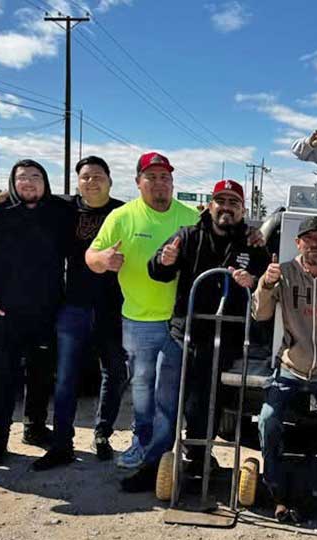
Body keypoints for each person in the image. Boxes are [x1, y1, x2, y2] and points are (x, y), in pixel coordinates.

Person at [86, 152, 199, 488]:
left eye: (165, 177)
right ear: (138, 182)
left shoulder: (190, 217)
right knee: (142, 389)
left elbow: (222, 237)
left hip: (181, 322)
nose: (160, 183)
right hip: (138, 321)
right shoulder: (122, 217)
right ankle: (142, 441)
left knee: (168, 393)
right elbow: (91, 255)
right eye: (152, 177)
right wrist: (103, 259)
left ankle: (160, 452)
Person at [147, 179, 269, 485]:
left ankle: (200, 456)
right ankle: (160, 459)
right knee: (173, 398)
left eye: (233, 203)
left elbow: (267, 282)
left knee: (211, 398)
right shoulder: (188, 236)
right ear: (210, 205)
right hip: (186, 332)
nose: (226, 208)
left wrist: (252, 281)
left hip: (227, 336)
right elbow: (158, 270)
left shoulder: (252, 243)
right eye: (221, 201)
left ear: (242, 210)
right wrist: (164, 261)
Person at [0, 159, 73, 466]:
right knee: (4, 377)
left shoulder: (60, 213)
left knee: (41, 375)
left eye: (36, 177)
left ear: (46, 182)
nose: (29, 182)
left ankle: (35, 429)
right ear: (12, 183)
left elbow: (87, 206)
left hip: (46, 311)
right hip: (2, 313)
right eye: (22, 177)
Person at [31, 156, 128, 470]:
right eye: (85, 176)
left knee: (114, 373)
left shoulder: (124, 212)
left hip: (115, 308)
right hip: (74, 305)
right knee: (66, 378)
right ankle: (62, 444)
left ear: (110, 181)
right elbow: (26, 197)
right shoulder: (65, 208)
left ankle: (102, 433)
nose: (92, 181)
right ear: (77, 182)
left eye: (98, 176)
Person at [252, 216, 317, 522]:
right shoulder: (284, 272)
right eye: (308, 239)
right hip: (291, 367)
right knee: (267, 419)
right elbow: (260, 314)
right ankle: (276, 488)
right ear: (298, 243)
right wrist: (265, 284)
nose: (315, 244)